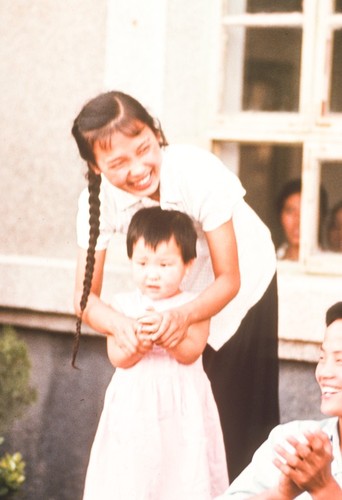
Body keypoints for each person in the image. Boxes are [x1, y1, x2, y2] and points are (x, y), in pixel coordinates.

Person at [72, 90, 279, 480]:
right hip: (173, 295)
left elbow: (228, 278)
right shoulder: (94, 203)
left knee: (233, 419)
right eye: (117, 162)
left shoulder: (196, 171)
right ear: (95, 167)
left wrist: (182, 315)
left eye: (144, 148)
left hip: (240, 291)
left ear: (156, 131)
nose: (138, 168)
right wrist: (122, 326)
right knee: (175, 432)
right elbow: (85, 299)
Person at [82, 207, 228, 499]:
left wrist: (167, 336)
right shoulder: (123, 306)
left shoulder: (195, 305)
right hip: (135, 407)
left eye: (164, 265)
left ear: (188, 265)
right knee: (133, 476)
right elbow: (118, 357)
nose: (152, 274)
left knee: (181, 473)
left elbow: (191, 352)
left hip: (181, 405)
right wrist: (139, 340)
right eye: (143, 262)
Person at [216, 301, 342, 499]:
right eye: (322, 357)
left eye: (340, 361)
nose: (325, 372)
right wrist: (282, 493)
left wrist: (325, 489)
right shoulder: (294, 441)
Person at [276, 179, 328, 261]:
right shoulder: (266, 263)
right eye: (290, 211)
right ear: (280, 216)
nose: (298, 221)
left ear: (321, 216)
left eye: (306, 211)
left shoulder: (330, 265)